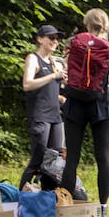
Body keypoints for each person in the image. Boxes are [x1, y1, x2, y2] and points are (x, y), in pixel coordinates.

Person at [61, 8, 109, 210]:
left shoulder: (76, 43)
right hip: (100, 105)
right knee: (102, 156)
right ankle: (102, 207)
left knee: (72, 157)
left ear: (87, 23)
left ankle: (65, 206)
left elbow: (69, 71)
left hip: (74, 104)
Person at [18, 25, 65, 190]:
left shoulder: (55, 62)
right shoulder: (33, 58)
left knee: (54, 160)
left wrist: (61, 98)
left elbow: (49, 91)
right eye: (51, 38)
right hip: (40, 116)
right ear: (39, 39)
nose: (55, 41)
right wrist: (54, 76)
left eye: (57, 39)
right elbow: (27, 84)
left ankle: (47, 197)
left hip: (55, 116)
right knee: (38, 159)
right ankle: (21, 197)